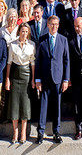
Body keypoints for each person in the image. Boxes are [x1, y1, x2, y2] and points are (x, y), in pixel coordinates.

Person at [33, 15, 70, 144]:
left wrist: (66, 80)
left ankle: (56, 132)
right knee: (43, 106)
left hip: (58, 78)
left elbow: (66, 61)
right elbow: (38, 61)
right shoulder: (42, 40)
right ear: (47, 25)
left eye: (56, 24)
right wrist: (37, 79)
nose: (54, 26)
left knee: (56, 107)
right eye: (51, 24)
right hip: (44, 78)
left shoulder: (63, 40)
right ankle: (40, 132)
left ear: (58, 25)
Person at [6, 22, 36, 144]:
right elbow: (9, 62)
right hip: (15, 74)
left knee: (25, 103)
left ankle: (23, 131)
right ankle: (15, 131)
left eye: (26, 32)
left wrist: (34, 79)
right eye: (22, 31)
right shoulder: (12, 45)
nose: (24, 34)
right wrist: (7, 78)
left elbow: (33, 63)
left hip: (27, 74)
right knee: (14, 103)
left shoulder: (32, 45)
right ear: (19, 32)